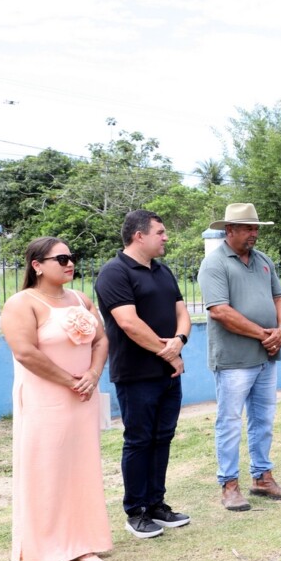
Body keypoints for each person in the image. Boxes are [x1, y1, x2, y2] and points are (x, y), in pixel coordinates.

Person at [3, 237, 112, 561]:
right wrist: (70, 380)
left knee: (81, 468)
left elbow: (101, 340)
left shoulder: (80, 299)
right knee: (47, 471)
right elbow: (25, 352)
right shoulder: (22, 303)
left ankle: (81, 542)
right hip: (46, 400)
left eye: (71, 257)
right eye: (61, 258)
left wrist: (92, 374)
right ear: (37, 265)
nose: (70, 263)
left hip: (83, 397)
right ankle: (49, 552)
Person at [94, 210, 191, 539]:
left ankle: (156, 504)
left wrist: (179, 340)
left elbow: (182, 312)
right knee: (139, 440)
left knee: (163, 437)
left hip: (169, 372)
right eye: (160, 232)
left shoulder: (163, 271)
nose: (165, 237)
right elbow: (128, 323)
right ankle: (136, 511)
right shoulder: (114, 272)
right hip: (136, 373)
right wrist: (169, 354)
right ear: (139, 235)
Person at [198, 203, 281, 511]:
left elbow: (280, 297)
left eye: (256, 228)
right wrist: (265, 335)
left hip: (266, 356)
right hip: (234, 359)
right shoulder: (214, 263)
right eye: (248, 228)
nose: (254, 233)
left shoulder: (263, 260)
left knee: (263, 419)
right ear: (230, 230)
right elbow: (220, 311)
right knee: (229, 422)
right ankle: (229, 485)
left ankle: (262, 477)